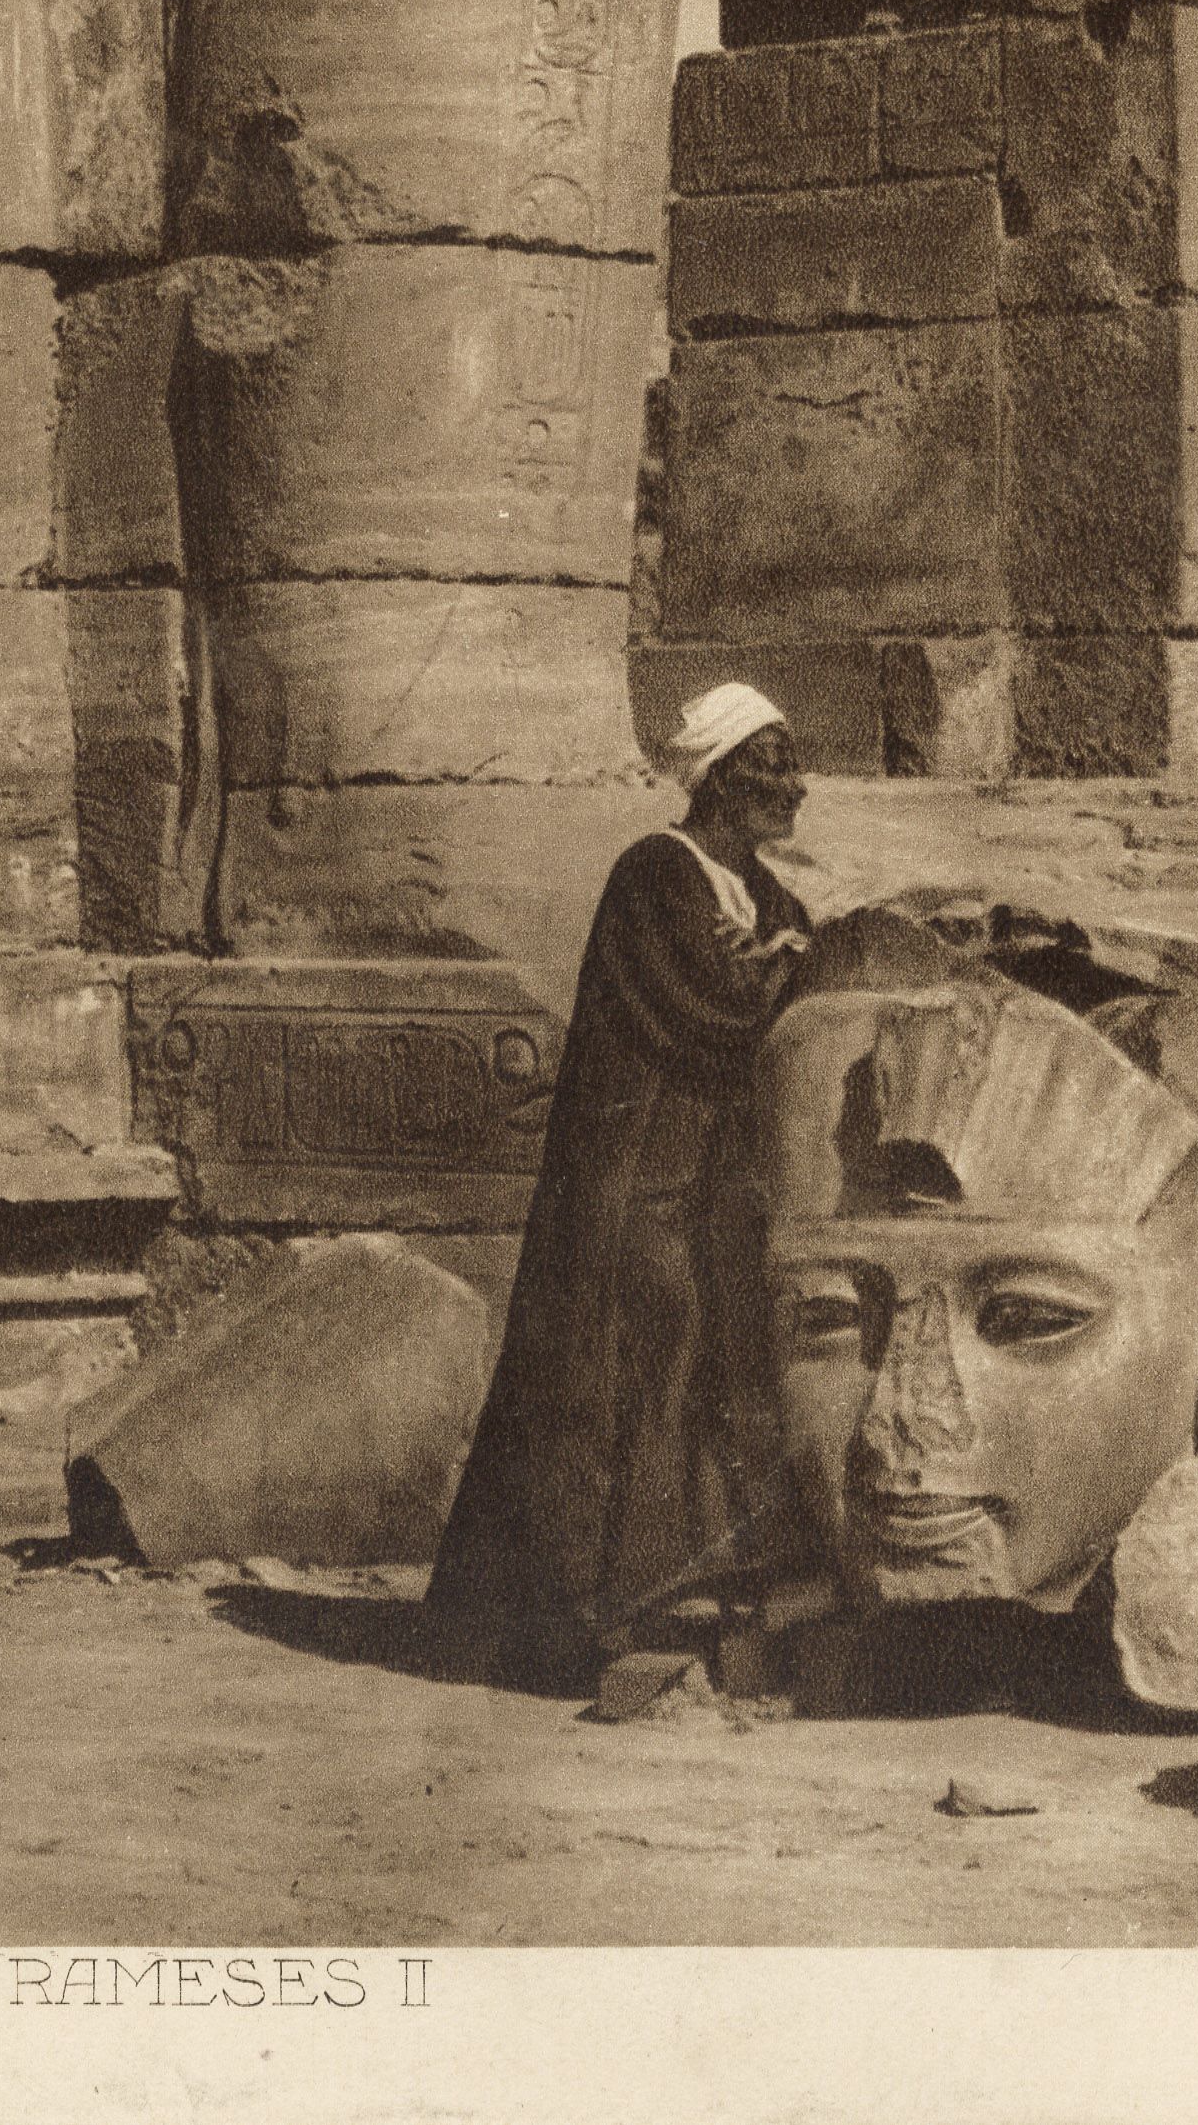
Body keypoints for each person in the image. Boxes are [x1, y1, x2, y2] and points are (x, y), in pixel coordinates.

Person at [425, 684, 820, 1684]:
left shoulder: (773, 901)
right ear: (719, 779)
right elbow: (716, 1007)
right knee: (640, 1350)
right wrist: (782, 974)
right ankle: (593, 1611)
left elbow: (792, 992)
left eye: (791, 767)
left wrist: (786, 967)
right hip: (635, 1182)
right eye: (770, 769)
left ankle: (695, 1592)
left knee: (721, 1357)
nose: (794, 787)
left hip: (715, 1185)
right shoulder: (654, 875)